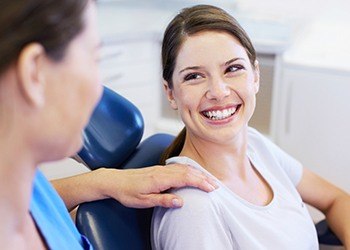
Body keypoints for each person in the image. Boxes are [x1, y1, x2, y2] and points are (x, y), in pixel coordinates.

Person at [0, 0, 218, 249]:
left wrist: (104, 182)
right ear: (33, 73)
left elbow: (40, 200)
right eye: (93, 59)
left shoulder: (24, 181)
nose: (99, 92)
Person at [151, 4, 350, 249]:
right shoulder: (193, 209)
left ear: (255, 76)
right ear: (170, 93)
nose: (218, 91)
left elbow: (335, 200)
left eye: (233, 69)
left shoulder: (256, 146)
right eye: (194, 76)